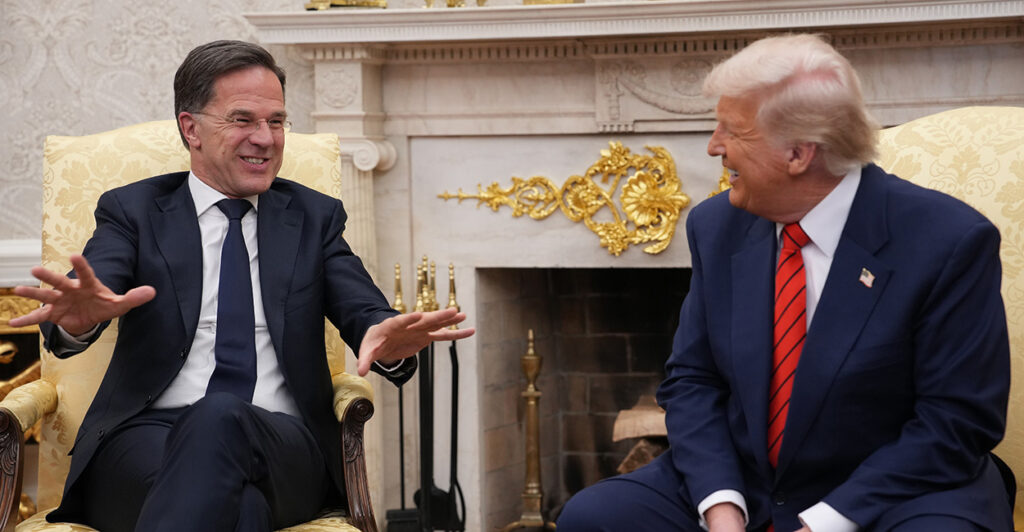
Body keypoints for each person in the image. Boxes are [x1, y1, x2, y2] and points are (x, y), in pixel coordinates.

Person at [9, 40, 474, 532]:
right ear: (192, 129)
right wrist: (80, 322)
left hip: (281, 444)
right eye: (244, 120)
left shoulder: (312, 219)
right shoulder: (136, 211)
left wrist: (390, 341)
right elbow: (95, 281)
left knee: (220, 416)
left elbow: (367, 313)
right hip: (145, 440)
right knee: (243, 509)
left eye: (276, 121)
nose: (266, 138)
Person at [556, 34, 1012, 532]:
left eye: (731, 131)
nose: (714, 147)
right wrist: (720, 505)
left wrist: (823, 523)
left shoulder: (948, 241)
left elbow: (956, 422)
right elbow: (693, 380)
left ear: (798, 154)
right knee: (593, 518)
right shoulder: (716, 226)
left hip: (895, 490)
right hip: (747, 480)